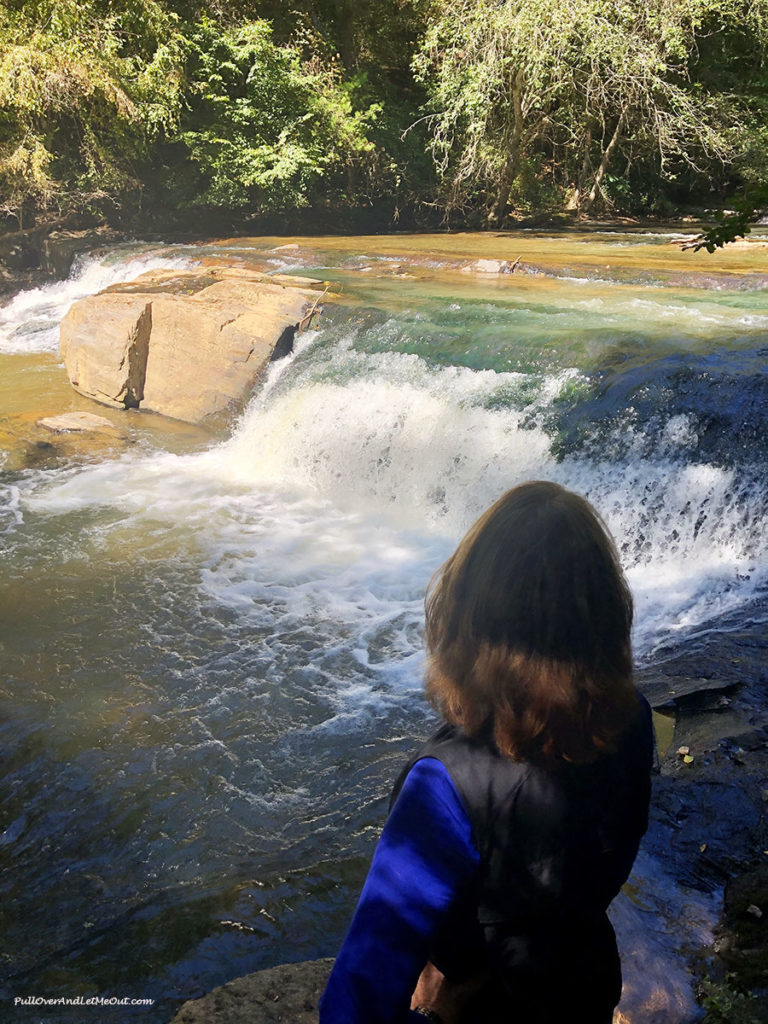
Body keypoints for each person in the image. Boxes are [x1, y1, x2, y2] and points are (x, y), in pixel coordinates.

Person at [319, 481, 654, 1024]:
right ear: (607, 612)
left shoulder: (445, 786)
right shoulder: (631, 718)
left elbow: (355, 1003)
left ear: (466, 614)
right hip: (582, 988)